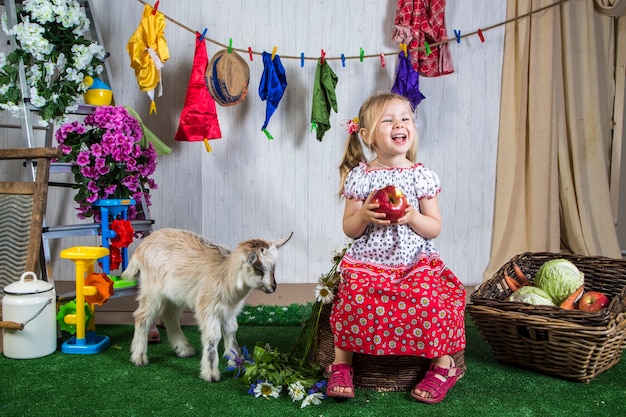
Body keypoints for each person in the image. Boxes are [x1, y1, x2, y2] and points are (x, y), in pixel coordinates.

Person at [326, 92, 466, 404]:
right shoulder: (360, 177)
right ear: (366, 135)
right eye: (387, 120)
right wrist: (362, 215)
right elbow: (349, 228)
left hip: (414, 263)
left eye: (405, 119)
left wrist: (413, 216)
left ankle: (444, 364)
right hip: (368, 262)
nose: (398, 125)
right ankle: (341, 364)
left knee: (429, 299)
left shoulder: (421, 176)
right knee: (352, 299)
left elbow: (435, 226)